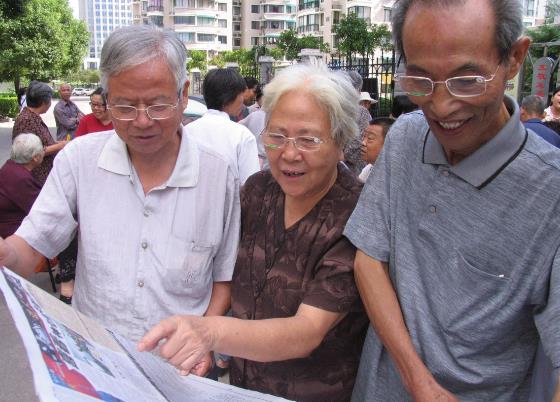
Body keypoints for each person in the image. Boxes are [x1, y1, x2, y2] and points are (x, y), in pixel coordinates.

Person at [344, 0, 560, 400]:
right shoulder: (406, 138)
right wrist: (418, 381)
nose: (441, 107)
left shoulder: (551, 193)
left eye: (467, 80)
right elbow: (369, 258)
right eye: (421, 80)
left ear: (514, 59)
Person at [0, 25, 240, 376]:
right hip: (96, 362)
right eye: (125, 106)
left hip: (179, 370)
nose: (142, 122)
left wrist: (204, 336)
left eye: (158, 105)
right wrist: (6, 254)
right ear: (106, 99)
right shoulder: (79, 160)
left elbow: (224, 278)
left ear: (183, 94)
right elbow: (32, 245)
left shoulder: (219, 176)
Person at [139, 61, 369, 402]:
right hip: (244, 387)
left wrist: (208, 332)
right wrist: (205, 336)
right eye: (276, 136)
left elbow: (305, 332)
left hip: (316, 391)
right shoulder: (259, 190)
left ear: (341, 142)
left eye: (308, 140)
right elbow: (225, 270)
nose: (289, 154)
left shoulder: (356, 216)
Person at [186, 68, 260, 184]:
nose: (242, 100)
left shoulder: (186, 132)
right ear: (231, 97)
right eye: (241, 94)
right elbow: (250, 186)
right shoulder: (242, 136)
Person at [12, 81, 67, 185]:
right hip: (34, 177)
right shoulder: (26, 119)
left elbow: (41, 143)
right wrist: (60, 146)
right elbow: (30, 152)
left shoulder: (33, 117)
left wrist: (55, 143)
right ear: (43, 102)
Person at [0, 134, 44, 238]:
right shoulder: (21, 178)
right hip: (13, 235)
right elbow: (41, 210)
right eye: (43, 149)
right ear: (35, 158)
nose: (44, 151)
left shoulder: (9, 166)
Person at [344, 70, 372, 175]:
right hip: (353, 169)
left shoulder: (331, 108)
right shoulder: (361, 112)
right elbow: (360, 140)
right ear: (358, 91)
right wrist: (343, 156)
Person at [358, 117, 395, 182]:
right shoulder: (368, 168)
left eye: (370, 138)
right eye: (364, 136)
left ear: (387, 144)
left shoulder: (391, 179)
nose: (363, 142)